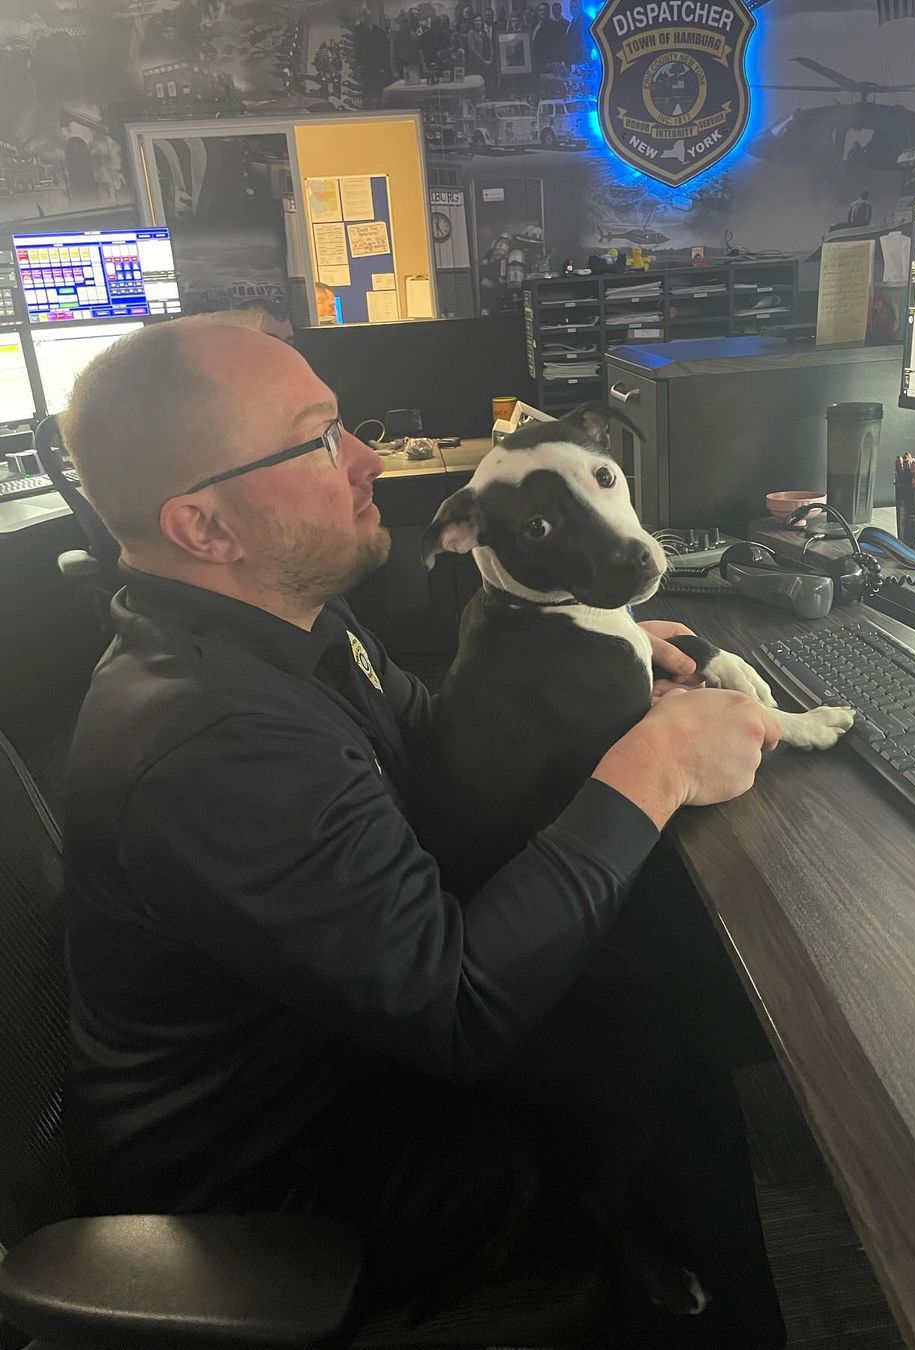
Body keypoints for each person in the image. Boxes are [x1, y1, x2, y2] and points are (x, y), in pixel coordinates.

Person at [60, 319, 786, 1346]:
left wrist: (587, 653)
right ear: (204, 527)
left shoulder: (289, 620)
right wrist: (656, 764)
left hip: (345, 1045)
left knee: (653, 1009)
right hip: (286, 1179)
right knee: (651, 1057)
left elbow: (435, 745)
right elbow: (458, 1010)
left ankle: (693, 1287)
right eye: (318, 441)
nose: (368, 459)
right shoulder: (214, 743)